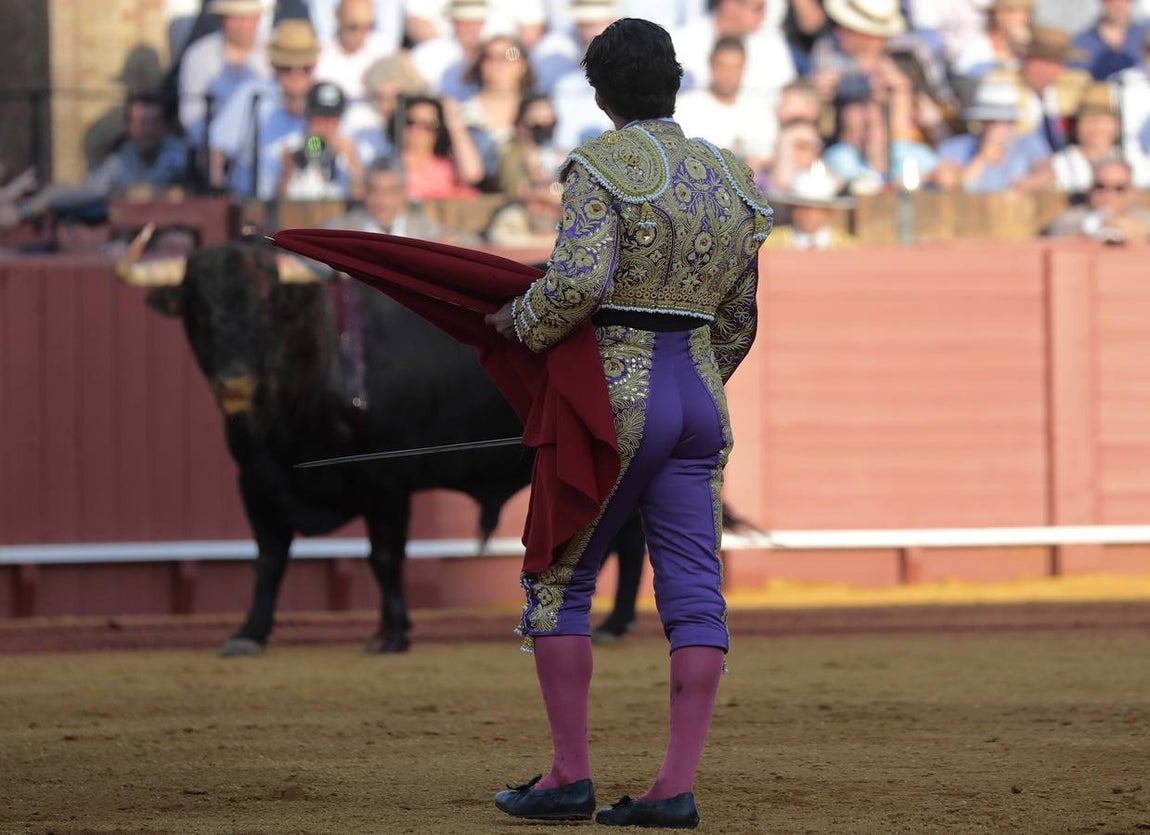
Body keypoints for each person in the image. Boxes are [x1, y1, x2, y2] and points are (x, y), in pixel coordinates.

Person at [482, 17, 771, 829]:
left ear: (600, 92)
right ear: (675, 83)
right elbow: (739, 321)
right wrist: (698, 380)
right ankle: (673, 787)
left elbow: (576, 283)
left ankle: (569, 776)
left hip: (620, 394)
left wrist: (522, 324)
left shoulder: (602, 168)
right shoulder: (731, 178)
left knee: (561, 582)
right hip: (700, 400)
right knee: (692, 589)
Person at [277, 81, 364, 200]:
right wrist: (287, 172)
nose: (325, 126)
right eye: (319, 118)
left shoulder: (351, 147)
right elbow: (277, 202)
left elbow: (361, 201)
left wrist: (353, 164)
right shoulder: (291, 145)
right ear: (307, 116)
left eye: (332, 119)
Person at [1044, 156, 1150, 243]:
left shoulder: (1142, 218)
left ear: (1132, 193)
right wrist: (1095, 226)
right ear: (1090, 190)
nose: (1108, 195)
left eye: (1119, 188)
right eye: (1100, 186)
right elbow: (1058, 231)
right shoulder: (1071, 220)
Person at [765, 161, 857, 249]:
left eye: (817, 209)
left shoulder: (849, 246)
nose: (809, 215)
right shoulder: (769, 245)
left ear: (829, 211)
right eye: (802, 207)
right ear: (791, 209)